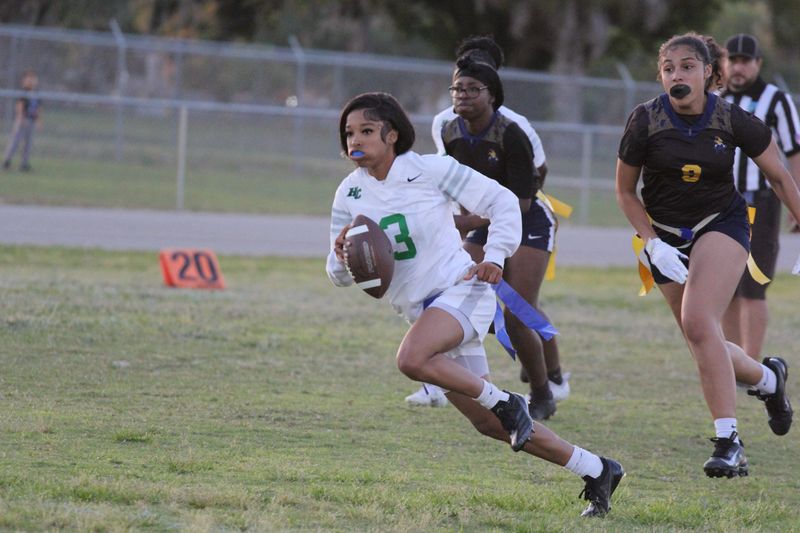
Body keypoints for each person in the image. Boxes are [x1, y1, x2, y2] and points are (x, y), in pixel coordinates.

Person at [328, 92, 624, 516]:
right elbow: (336, 274)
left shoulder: (431, 169)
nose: (355, 140)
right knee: (489, 423)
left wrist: (495, 256)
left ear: (392, 135)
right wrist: (342, 256)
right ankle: (597, 469)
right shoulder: (349, 193)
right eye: (349, 133)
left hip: (462, 289)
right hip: (424, 313)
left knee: (411, 359)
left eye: (367, 131)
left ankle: (509, 401)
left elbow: (503, 201)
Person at [616, 33, 800, 478]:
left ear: (708, 74)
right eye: (668, 68)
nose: (677, 75)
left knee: (699, 323)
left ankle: (728, 442)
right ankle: (768, 380)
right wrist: (651, 243)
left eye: (686, 66)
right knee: (703, 340)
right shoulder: (645, 120)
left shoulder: (733, 118)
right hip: (663, 237)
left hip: (722, 223)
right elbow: (624, 191)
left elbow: (778, 176)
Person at [406, 35, 570, 410]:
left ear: (493, 90)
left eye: (473, 87)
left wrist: (470, 220)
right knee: (456, 295)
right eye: (457, 86)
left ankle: (544, 389)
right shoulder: (447, 128)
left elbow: (524, 197)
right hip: (482, 218)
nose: (462, 93)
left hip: (528, 219)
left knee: (517, 310)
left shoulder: (512, 130)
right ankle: (442, 380)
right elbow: (449, 178)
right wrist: (452, 220)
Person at [719, 33, 800, 361]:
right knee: (725, 288)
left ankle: (752, 364)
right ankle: (732, 362)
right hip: (720, 202)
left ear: (758, 64)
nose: (737, 67)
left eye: (744, 61)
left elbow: (795, 152)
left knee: (754, 284)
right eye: (732, 60)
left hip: (761, 201)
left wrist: (796, 201)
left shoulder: (776, 100)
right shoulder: (716, 98)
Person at [3, 70, 41, 172]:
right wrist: (20, 119)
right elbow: (19, 107)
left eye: (33, 79)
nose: (31, 81)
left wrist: (38, 120)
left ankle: (24, 164)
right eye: (28, 79)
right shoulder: (23, 92)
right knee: (15, 141)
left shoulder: (36, 94)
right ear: (24, 81)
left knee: (28, 144)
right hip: (22, 121)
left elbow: (37, 109)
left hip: (31, 121)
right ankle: (7, 162)